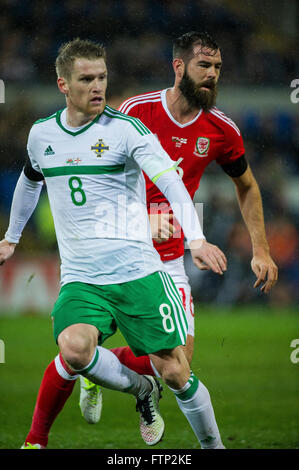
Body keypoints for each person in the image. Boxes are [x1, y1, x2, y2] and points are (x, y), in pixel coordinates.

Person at [0, 38, 227, 449]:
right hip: (82, 278)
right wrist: (11, 238)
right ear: (63, 85)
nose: (97, 86)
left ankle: (214, 447)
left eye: (102, 77)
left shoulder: (126, 130)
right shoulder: (41, 135)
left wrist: (196, 237)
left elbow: (170, 182)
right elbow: (29, 180)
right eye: (86, 79)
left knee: (176, 370)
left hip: (138, 272)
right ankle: (135, 393)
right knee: (73, 348)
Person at [78, 30, 278, 423]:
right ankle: (87, 366)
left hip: (170, 255)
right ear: (179, 66)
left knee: (179, 363)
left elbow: (247, 186)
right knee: (85, 340)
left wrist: (261, 249)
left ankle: (97, 367)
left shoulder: (221, 129)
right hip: (120, 249)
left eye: (218, 67)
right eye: (204, 65)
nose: (213, 74)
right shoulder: (137, 110)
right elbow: (92, 170)